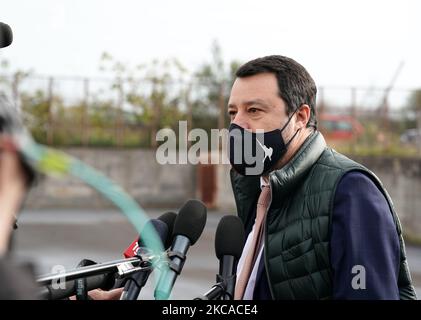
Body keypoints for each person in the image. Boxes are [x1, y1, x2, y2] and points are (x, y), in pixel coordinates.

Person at [227, 55, 417, 300]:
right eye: (233, 113)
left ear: (300, 117)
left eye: (254, 110)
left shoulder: (351, 191)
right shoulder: (258, 191)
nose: (237, 125)